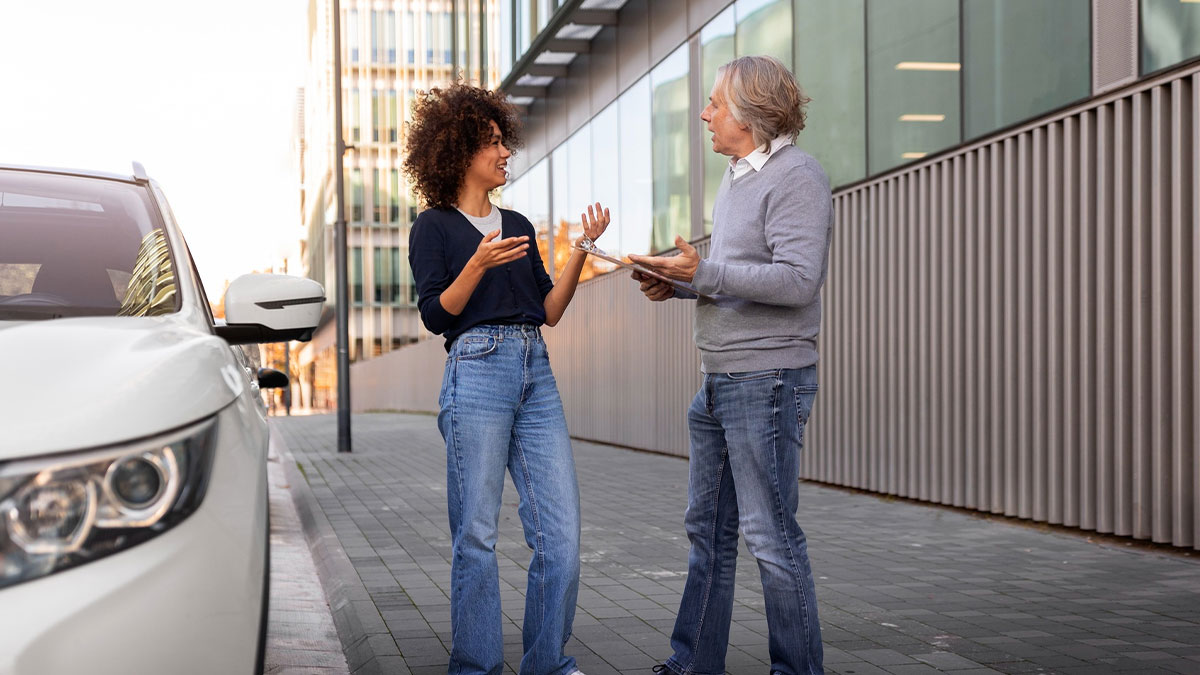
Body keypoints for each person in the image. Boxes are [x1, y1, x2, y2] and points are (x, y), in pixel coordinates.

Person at [629, 55, 832, 675]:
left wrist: (706, 272)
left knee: (770, 538)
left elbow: (798, 281)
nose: (704, 114)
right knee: (707, 534)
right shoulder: (739, 176)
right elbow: (740, 278)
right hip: (720, 380)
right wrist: (681, 285)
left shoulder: (798, 175)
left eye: (715, 103)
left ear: (748, 114)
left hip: (766, 381)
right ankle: (693, 664)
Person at [403, 83, 609, 675]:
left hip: (534, 369)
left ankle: (546, 663)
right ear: (458, 150)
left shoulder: (516, 221)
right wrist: (475, 265)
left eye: (502, 141)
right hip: (476, 371)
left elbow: (548, 311)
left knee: (561, 537)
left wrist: (581, 251)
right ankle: (476, 667)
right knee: (476, 536)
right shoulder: (434, 227)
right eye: (491, 143)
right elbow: (436, 314)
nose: (503, 153)